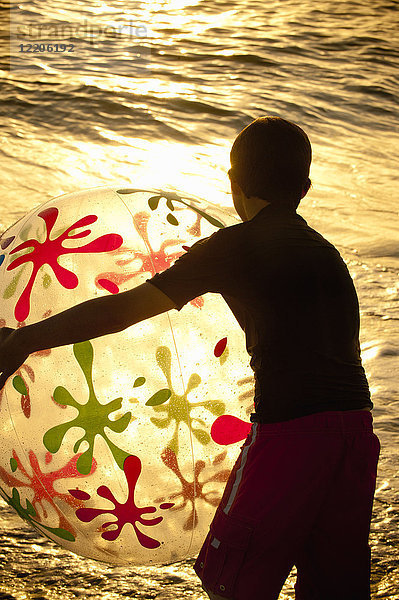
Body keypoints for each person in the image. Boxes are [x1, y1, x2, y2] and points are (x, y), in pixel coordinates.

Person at [0, 117, 380, 600]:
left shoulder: (234, 247)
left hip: (290, 436)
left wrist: (23, 339)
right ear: (304, 187)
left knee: (234, 585)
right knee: (335, 588)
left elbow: (124, 309)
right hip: (355, 436)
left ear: (232, 182)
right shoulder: (326, 253)